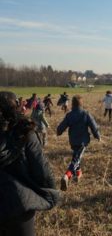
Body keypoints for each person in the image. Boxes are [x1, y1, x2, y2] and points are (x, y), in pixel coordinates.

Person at [0, 91, 59, 236]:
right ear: (17, 107)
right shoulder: (26, 132)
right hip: (20, 205)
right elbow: (41, 169)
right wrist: (50, 192)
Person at [57, 95, 101, 191]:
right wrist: (97, 135)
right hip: (82, 141)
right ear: (81, 103)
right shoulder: (85, 114)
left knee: (76, 157)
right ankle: (67, 175)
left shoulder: (69, 115)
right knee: (76, 160)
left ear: (72, 104)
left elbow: (62, 126)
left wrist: (58, 131)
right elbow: (93, 126)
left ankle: (78, 174)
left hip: (73, 141)